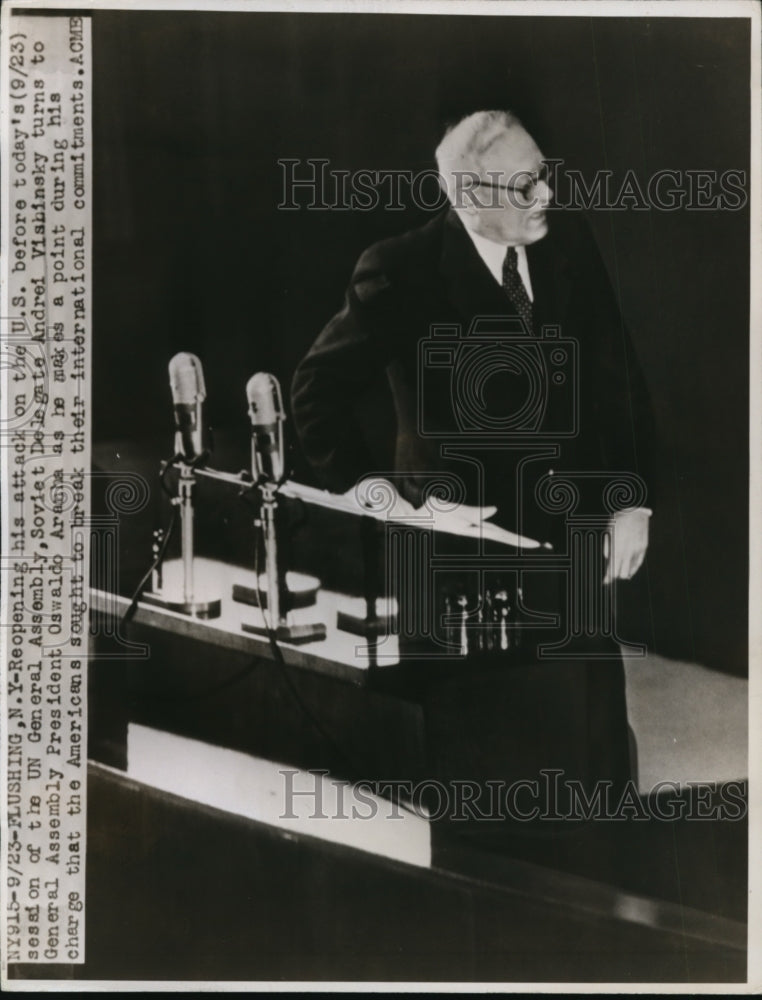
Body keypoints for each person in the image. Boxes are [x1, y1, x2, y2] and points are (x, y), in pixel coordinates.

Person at [291, 110, 656, 830]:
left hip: (569, 543)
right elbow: (314, 393)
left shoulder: (567, 244)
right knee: (483, 770)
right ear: (471, 196)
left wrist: (633, 501)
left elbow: (619, 378)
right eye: (526, 185)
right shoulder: (401, 269)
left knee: (594, 751)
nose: (546, 193)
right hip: (456, 558)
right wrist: (387, 500)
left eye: (545, 172)